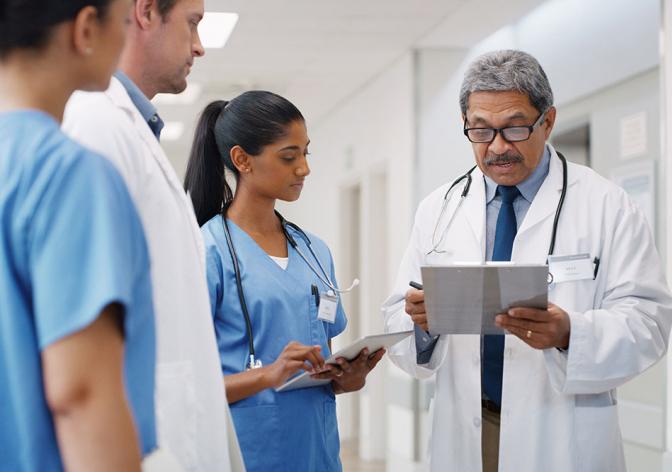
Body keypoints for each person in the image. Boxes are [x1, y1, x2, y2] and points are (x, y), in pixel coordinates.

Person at [382, 49, 672, 472]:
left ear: (548, 121)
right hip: (468, 426)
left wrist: (570, 332)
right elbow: (397, 315)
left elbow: (649, 321)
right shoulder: (439, 209)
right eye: (480, 131)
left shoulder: (607, 205)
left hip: (559, 432)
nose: (497, 147)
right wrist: (423, 325)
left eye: (515, 128)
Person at [61, 1, 242, 470]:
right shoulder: (97, 125)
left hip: (174, 425)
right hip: (146, 439)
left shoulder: (132, 130)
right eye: (192, 24)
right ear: (145, 12)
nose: (199, 46)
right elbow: (86, 334)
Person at [184, 90, 385, 472]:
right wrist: (267, 374)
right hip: (247, 454)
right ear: (242, 159)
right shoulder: (206, 251)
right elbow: (188, 387)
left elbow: (322, 370)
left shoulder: (314, 251)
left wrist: (349, 377)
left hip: (318, 453)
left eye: (306, 153)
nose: (304, 169)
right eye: (289, 157)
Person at [0, 0, 157, 470]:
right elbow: (80, 393)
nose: (127, 37)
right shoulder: (65, 172)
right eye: (124, 22)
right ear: (86, 28)